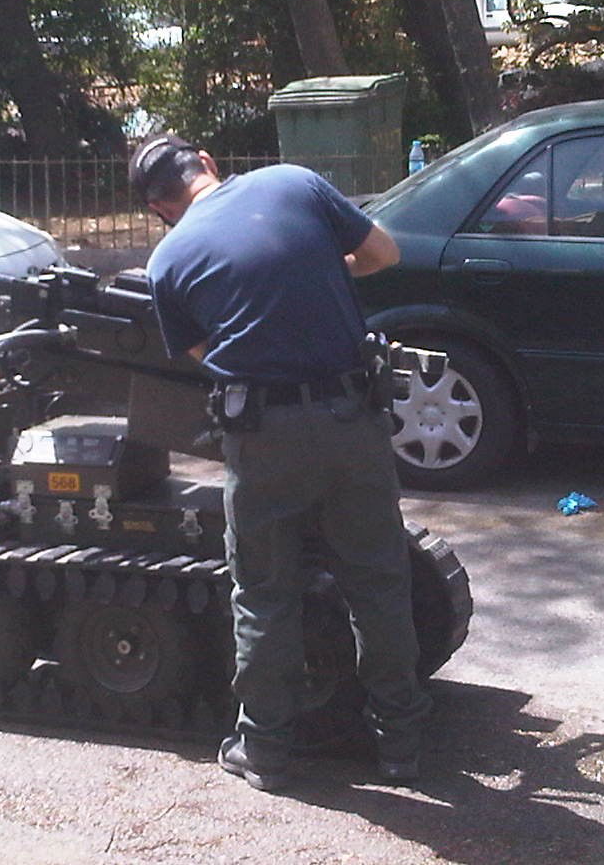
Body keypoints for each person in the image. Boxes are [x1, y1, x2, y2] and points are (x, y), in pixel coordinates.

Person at [128, 133, 431, 792]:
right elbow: (384, 252)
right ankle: (402, 745)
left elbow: (207, 352)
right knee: (378, 583)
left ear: (158, 207)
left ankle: (264, 750)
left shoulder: (166, 261)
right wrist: (324, 267)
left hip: (262, 438)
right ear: (208, 163)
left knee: (264, 594)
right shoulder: (292, 182)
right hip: (352, 418)